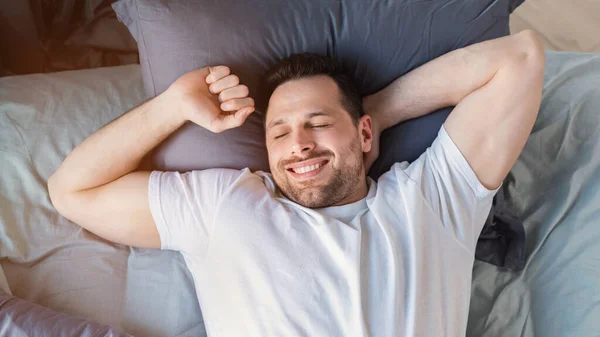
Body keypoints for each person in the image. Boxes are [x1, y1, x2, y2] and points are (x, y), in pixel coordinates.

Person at [48, 30, 544, 336]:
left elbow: (519, 57)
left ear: (365, 129)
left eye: (318, 122)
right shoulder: (226, 205)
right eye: (279, 132)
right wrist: (173, 105)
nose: (299, 143)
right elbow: (73, 191)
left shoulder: (432, 198)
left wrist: (372, 115)